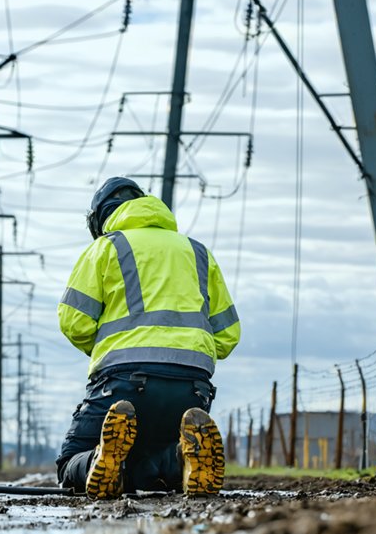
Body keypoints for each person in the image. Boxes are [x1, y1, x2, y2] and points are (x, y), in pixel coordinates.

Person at [56, 177, 240, 499]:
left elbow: (74, 322)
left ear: (101, 219)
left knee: (69, 461)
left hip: (122, 382)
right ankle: (185, 462)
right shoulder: (198, 252)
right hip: (191, 388)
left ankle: (99, 458)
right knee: (156, 458)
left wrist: (107, 350)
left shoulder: (106, 247)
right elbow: (227, 335)